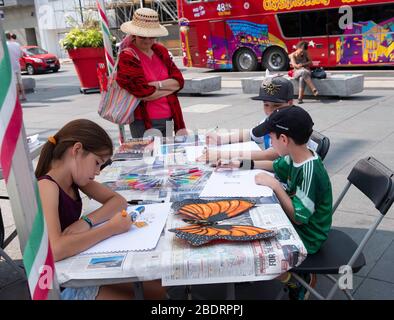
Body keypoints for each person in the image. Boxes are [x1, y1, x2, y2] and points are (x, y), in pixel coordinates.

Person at [35, 119, 166, 300]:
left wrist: (86, 222)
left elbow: (118, 201)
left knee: (160, 289)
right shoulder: (47, 186)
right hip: (64, 285)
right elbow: (55, 249)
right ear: (77, 150)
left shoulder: (74, 179)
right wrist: (110, 228)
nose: (98, 172)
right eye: (97, 163)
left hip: (78, 266)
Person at [229, 106, 333, 299]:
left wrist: (275, 186)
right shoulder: (296, 155)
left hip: (309, 234)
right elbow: (274, 165)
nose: (269, 141)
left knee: (255, 251)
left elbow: (300, 218)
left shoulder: (310, 170)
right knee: (244, 221)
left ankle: (297, 282)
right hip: (295, 220)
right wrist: (242, 163)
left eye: (271, 136)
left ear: (283, 140)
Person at [116, 8, 186, 139]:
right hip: (143, 121)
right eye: (143, 36)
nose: (148, 40)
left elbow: (179, 82)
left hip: (171, 117)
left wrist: (156, 85)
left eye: (152, 36)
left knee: (168, 157)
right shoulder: (128, 56)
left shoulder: (160, 50)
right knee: (148, 157)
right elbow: (143, 93)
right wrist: (168, 88)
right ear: (134, 34)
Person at [200, 77, 295, 163]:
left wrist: (222, 154)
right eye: (266, 105)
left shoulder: (293, 123)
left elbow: (269, 155)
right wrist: (221, 139)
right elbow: (250, 134)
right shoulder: (270, 120)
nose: (270, 111)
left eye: (276, 106)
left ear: (290, 103)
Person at [5, 32, 27, 101]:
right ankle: (23, 96)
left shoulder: (6, 45)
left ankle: (17, 97)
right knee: (20, 81)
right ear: (11, 37)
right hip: (17, 64)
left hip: (11, 66)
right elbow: (21, 55)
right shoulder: (17, 44)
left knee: (15, 83)